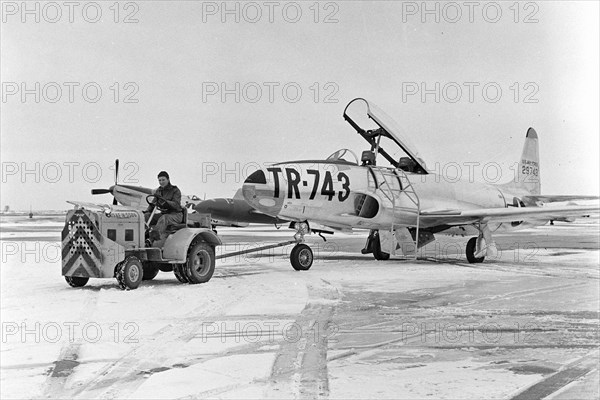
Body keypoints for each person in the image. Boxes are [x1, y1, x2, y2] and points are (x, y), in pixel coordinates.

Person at [144, 171, 183, 243]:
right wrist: (146, 211)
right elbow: (153, 204)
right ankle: (143, 235)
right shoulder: (158, 191)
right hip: (164, 214)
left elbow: (176, 205)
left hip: (175, 215)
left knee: (164, 218)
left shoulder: (175, 190)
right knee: (146, 216)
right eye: (159, 180)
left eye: (163, 180)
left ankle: (151, 239)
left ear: (168, 179)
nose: (161, 182)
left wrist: (165, 202)